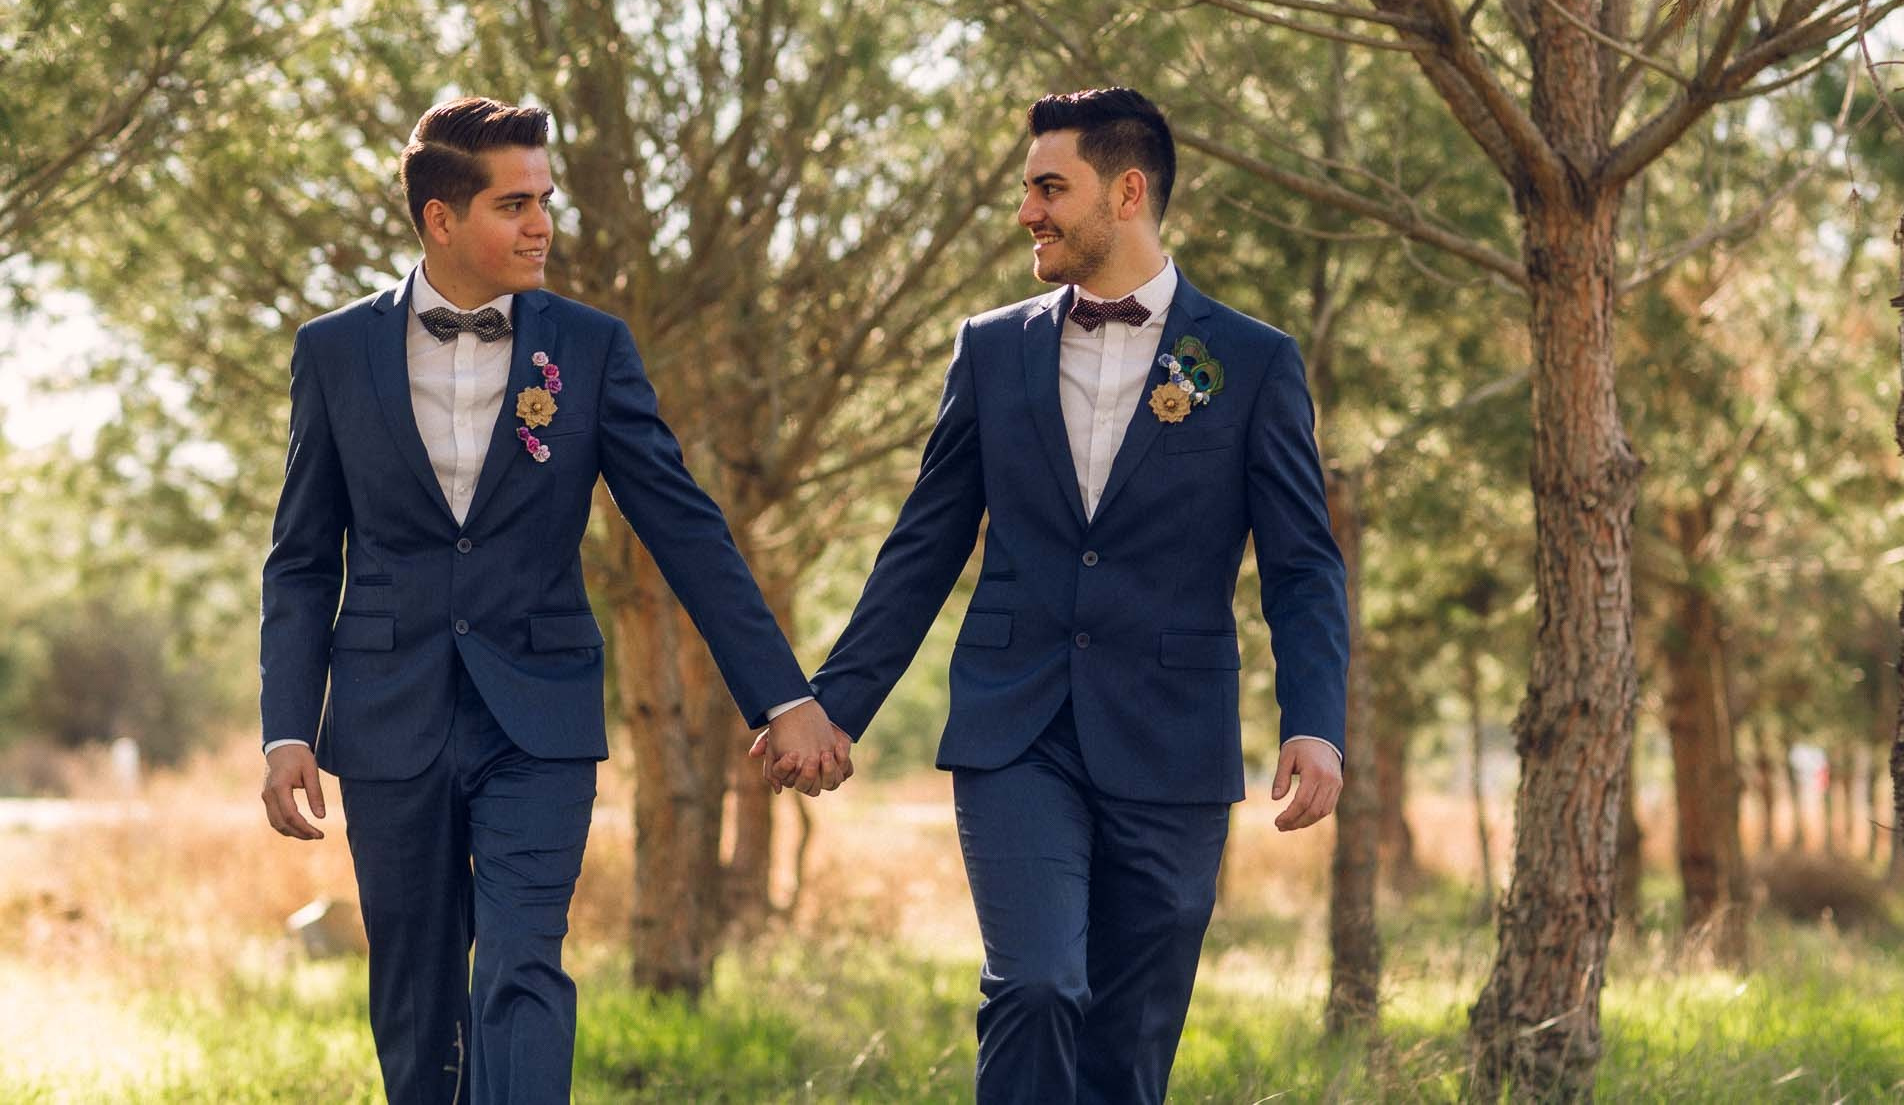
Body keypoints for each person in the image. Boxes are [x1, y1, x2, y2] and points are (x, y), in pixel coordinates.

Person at [258, 96, 851, 1105]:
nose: (541, 225)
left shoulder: (588, 348)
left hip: (536, 714)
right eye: (513, 203)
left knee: (523, 967)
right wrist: (285, 729)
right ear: (440, 219)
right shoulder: (333, 352)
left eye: (545, 200)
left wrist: (781, 694)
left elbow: (684, 528)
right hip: (386, 715)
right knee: (415, 998)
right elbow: (305, 557)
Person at [766, 87, 1350, 1103]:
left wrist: (1315, 721)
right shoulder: (991, 350)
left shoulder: (1252, 362)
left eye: (1048, 188)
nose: (1026, 212)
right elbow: (921, 547)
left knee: (1127, 1044)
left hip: (1172, 736)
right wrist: (832, 702)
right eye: (1026, 189)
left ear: (1125, 192)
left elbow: (1300, 563)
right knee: (1035, 983)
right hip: (1013, 724)